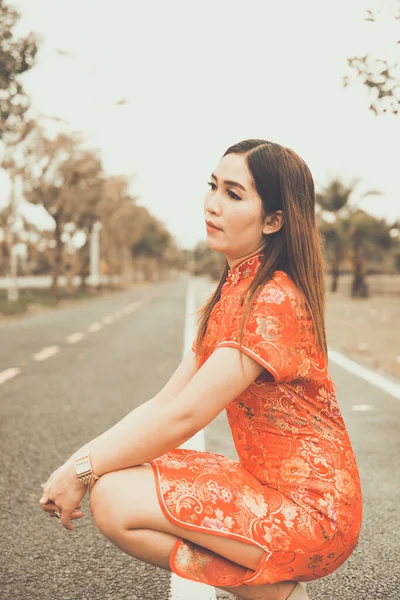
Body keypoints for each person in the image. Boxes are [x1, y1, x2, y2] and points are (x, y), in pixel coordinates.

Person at [39, 139, 362, 600]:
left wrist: (80, 473)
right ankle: (273, 594)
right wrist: (77, 464)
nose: (212, 204)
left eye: (233, 194)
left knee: (112, 496)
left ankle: (273, 593)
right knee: (114, 479)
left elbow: (185, 418)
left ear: (274, 220)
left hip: (313, 513)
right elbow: (163, 403)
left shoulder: (272, 300)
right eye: (212, 186)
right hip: (267, 488)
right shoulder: (232, 293)